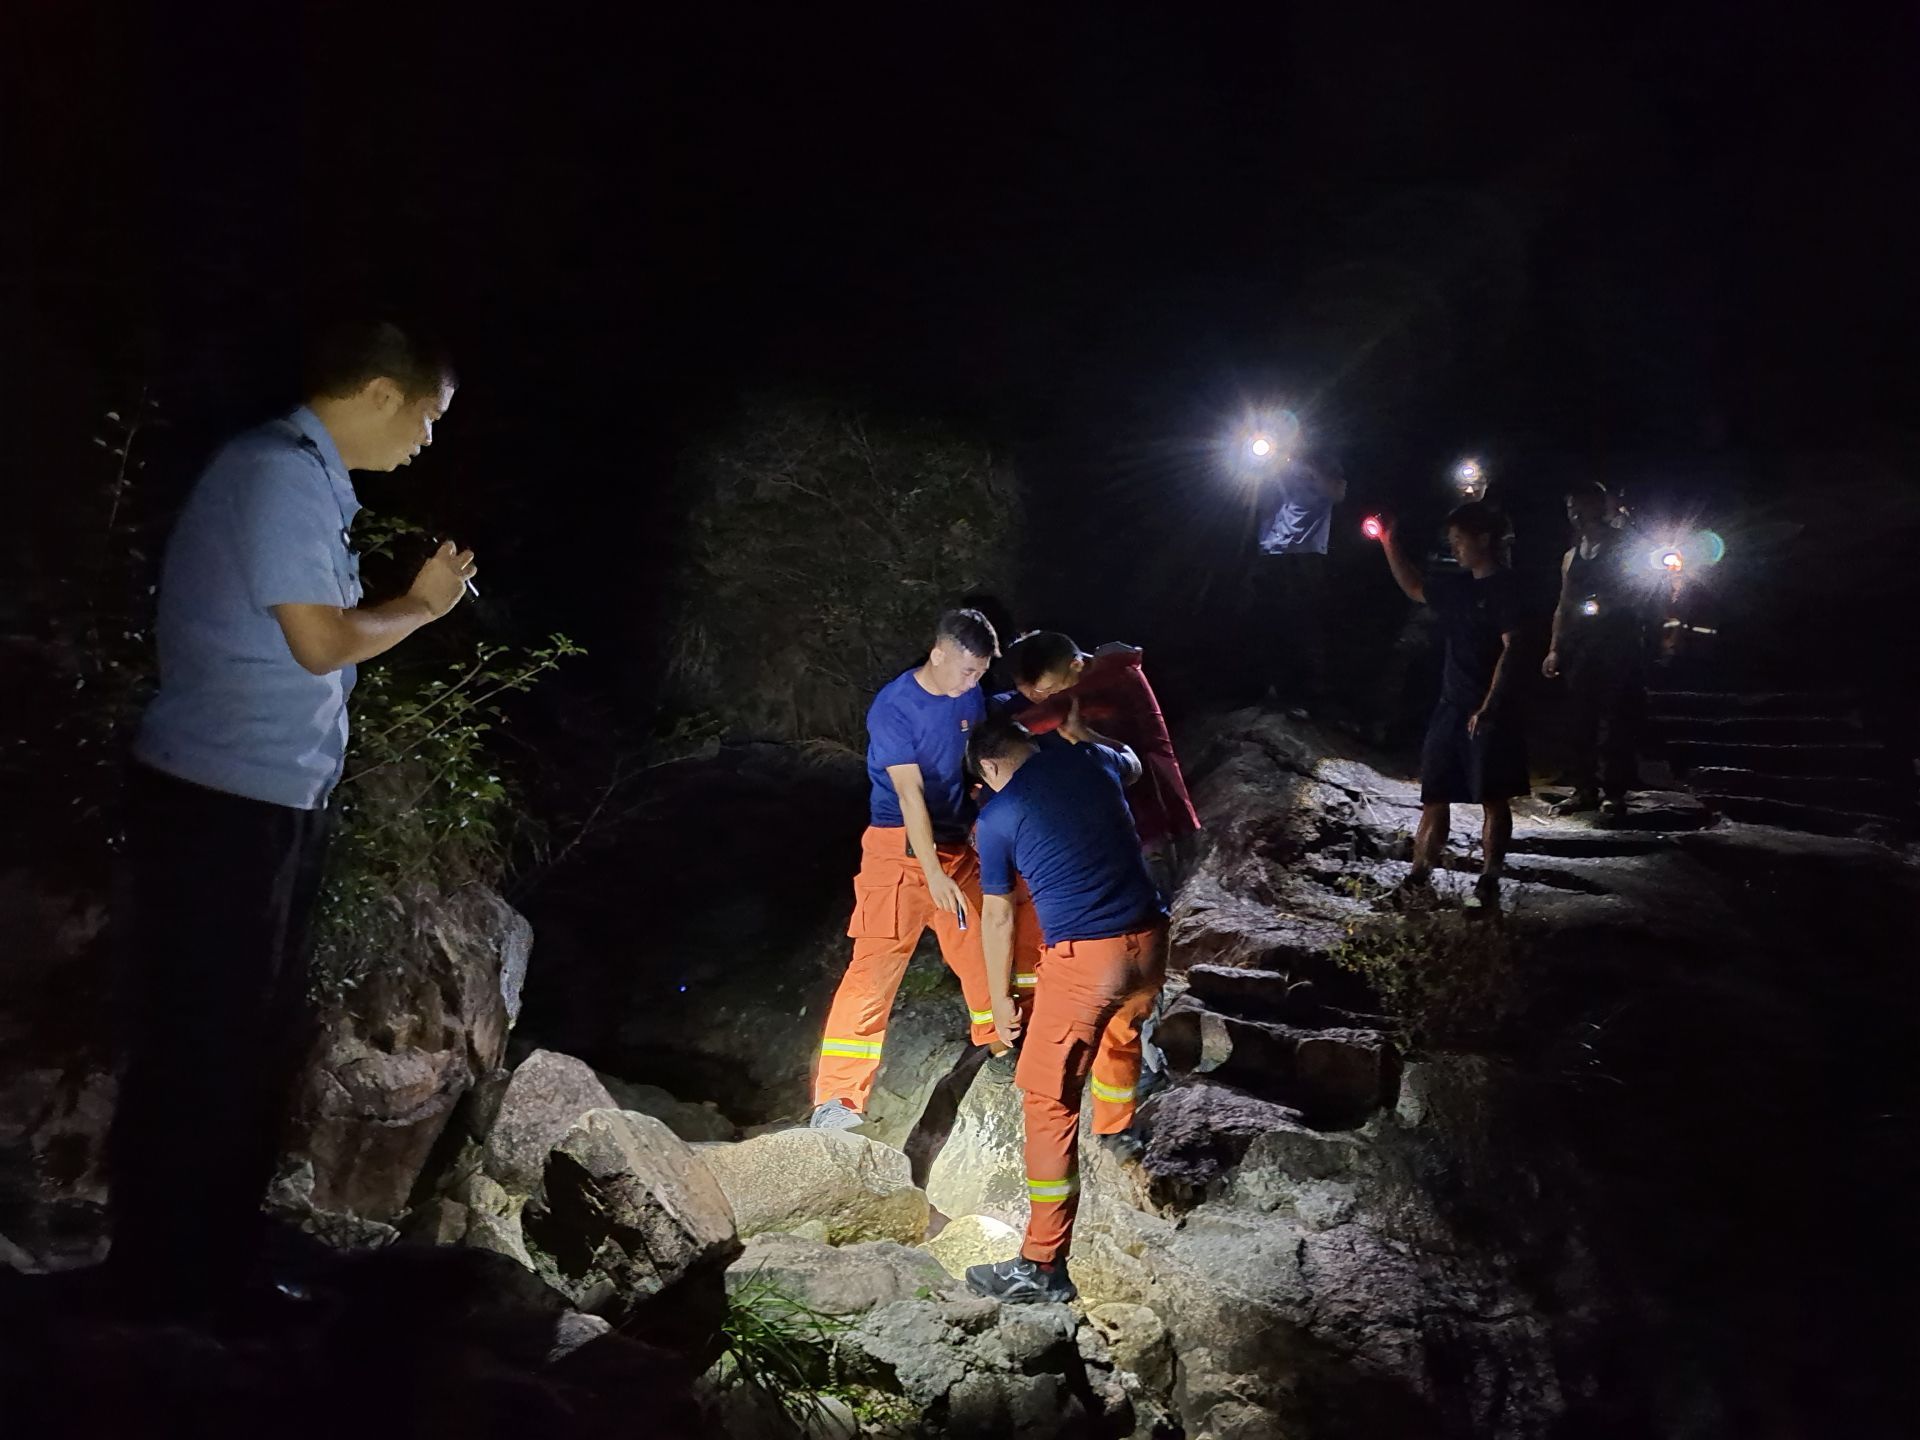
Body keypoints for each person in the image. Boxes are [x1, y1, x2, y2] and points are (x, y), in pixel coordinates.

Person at [111, 321, 470, 1316]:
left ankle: (206, 1256)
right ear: (379, 392)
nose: (426, 443)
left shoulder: (308, 480)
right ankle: (165, 1275)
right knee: (205, 1039)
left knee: (240, 1036)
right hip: (220, 794)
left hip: (265, 797)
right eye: (428, 419)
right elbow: (319, 643)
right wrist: (425, 608)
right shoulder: (275, 472)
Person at [961, 708, 1169, 1305]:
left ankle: (1041, 1264)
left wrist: (1000, 1000)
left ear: (992, 766)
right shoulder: (1089, 759)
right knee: (1121, 1032)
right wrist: (1085, 732)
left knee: (1047, 1100)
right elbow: (1131, 761)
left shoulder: (999, 815)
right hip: (1151, 941)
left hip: (1088, 960)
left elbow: (998, 914)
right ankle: (1118, 1131)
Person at [810, 609, 1006, 1130]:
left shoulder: (969, 691)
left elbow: (976, 757)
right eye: (968, 671)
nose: (974, 682)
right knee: (873, 970)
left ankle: (1003, 1045)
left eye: (981, 673)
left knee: (985, 944)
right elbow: (910, 794)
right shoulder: (895, 708)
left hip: (954, 842)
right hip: (898, 850)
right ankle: (837, 1102)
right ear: (939, 653)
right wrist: (932, 873)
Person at [1375, 501, 1528, 911]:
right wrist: (1389, 542)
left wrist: (1491, 704)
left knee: (1493, 796)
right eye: (1452, 540)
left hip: (1491, 709)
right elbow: (1414, 587)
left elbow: (1513, 649)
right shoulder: (1459, 587)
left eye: (1460, 539)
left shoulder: (1508, 588)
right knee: (1435, 794)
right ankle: (1418, 877)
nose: (1455, 547)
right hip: (1451, 704)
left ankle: (1489, 882)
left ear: (1484, 539)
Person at [1000, 631, 1201, 898]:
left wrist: (996, 734)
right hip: (1135, 819)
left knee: (1159, 909)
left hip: (1153, 820)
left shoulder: (1108, 679)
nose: (1045, 698)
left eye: (1047, 690)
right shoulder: (1102, 673)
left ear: (1076, 665)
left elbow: (1044, 715)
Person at [1543, 482, 1645, 824]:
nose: (1573, 513)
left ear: (1596, 507)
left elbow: (1638, 591)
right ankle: (1583, 786)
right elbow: (1563, 603)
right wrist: (1554, 648)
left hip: (1617, 638)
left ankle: (1614, 790)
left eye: (1579, 505)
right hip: (1581, 642)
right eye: (1569, 505)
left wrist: (1612, 608)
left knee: (1614, 715)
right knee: (1578, 714)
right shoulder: (1571, 555)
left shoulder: (1621, 547)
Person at [1251, 453, 1348, 704]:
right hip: (1270, 549)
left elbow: (1338, 493)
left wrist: (1306, 470)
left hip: (1306, 552)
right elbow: (1245, 495)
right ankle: (1269, 686)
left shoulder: (1322, 461)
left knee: (1303, 621)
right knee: (1267, 619)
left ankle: (1305, 695)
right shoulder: (1271, 460)